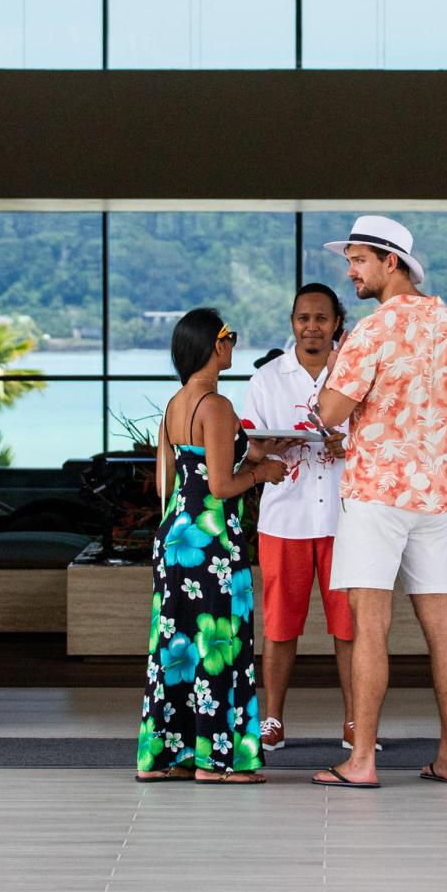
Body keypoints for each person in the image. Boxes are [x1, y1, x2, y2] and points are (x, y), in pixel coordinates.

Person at [309, 216, 447, 789]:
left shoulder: (372, 330)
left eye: (358, 260)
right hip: (438, 496)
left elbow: (330, 414)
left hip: (378, 495)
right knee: (440, 621)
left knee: (371, 626)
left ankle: (361, 762)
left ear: (391, 262)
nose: (350, 272)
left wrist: (335, 376)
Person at [136, 307, 289, 783]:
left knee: (176, 646)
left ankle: (171, 756)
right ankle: (219, 762)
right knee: (221, 645)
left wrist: (260, 451)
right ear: (211, 346)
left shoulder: (176, 404)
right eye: (228, 336)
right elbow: (221, 486)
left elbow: (174, 476)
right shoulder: (216, 405)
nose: (233, 344)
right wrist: (262, 473)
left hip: (176, 537)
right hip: (214, 542)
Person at [238, 283, 365, 753]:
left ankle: (356, 720)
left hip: (345, 519)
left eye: (321, 319)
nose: (311, 327)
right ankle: (272, 720)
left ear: (337, 325)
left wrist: (347, 445)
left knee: (349, 629)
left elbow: (374, 442)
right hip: (284, 520)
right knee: (278, 625)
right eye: (302, 319)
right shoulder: (267, 379)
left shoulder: (357, 376)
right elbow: (252, 449)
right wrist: (268, 447)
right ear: (292, 323)